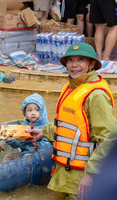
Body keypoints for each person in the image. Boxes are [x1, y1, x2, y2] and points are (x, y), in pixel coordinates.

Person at [29, 42, 116, 200]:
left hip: (83, 176)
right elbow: (68, 125)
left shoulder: (96, 95)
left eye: (81, 60)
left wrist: (91, 174)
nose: (74, 65)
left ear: (91, 65)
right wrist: (44, 132)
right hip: (64, 172)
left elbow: (109, 138)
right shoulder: (71, 87)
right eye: (70, 60)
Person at [6, 93, 53, 158]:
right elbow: (17, 144)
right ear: (25, 113)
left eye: (37, 110)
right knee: (9, 156)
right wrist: (9, 140)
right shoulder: (24, 126)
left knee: (28, 157)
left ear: (42, 112)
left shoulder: (46, 127)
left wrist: (38, 145)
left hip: (41, 156)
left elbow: (47, 146)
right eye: (29, 110)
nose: (33, 113)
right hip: (25, 154)